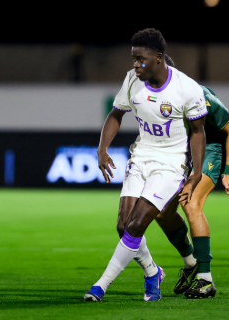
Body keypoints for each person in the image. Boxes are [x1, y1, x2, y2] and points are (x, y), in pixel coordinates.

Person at [84, 28, 207, 302]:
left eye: (141, 59)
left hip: (171, 164)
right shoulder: (132, 79)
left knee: (137, 224)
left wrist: (196, 172)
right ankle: (153, 272)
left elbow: (198, 131)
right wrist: (102, 149)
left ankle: (101, 285)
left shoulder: (187, 88)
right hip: (140, 157)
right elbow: (116, 113)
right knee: (123, 226)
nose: (136, 65)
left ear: (158, 58)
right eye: (133, 59)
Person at [153, 54, 229, 298]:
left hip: (210, 150)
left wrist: (228, 173)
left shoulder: (198, 95)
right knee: (161, 212)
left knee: (191, 204)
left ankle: (205, 278)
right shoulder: (153, 98)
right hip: (182, 153)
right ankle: (191, 262)